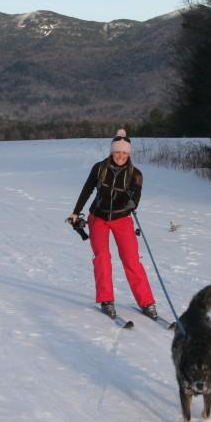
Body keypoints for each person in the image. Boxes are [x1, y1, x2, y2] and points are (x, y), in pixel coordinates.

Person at [68, 129, 157, 320]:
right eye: (117, 152)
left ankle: (147, 302)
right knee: (102, 257)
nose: (120, 156)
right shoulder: (99, 168)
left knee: (131, 260)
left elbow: (136, 199)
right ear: (112, 151)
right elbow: (87, 190)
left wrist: (129, 202)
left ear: (129, 154)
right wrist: (76, 212)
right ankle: (106, 300)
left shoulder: (136, 174)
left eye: (124, 153)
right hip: (98, 218)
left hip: (122, 219)